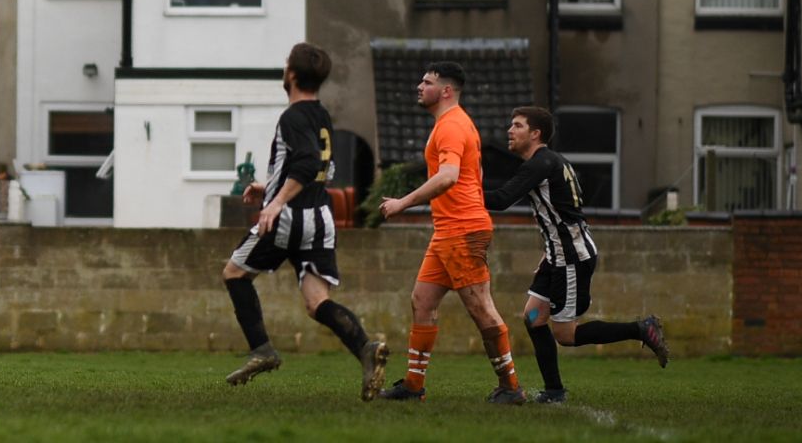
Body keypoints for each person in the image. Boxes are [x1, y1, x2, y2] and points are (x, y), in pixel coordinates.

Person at [221, 42, 389, 402]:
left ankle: (262, 350)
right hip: (320, 218)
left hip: (290, 218)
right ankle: (365, 346)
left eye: (285, 65)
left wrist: (275, 202)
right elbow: (320, 170)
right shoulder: (320, 115)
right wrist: (268, 185)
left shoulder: (293, 117)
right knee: (316, 302)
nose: (284, 69)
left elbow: (308, 164)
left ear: (292, 75)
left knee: (234, 273)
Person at [484, 106, 670, 403]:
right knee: (533, 318)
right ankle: (554, 390)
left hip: (571, 258)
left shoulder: (540, 163)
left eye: (517, 125)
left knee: (566, 335)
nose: (510, 130)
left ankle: (641, 329)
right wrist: (549, 253)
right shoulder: (550, 161)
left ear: (535, 134)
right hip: (559, 255)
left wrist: (458, 186)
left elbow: (503, 199)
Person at [377, 62, 525, 404]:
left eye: (426, 82)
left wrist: (403, 203)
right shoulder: (451, 124)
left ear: (445, 90)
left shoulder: (453, 126)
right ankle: (413, 386)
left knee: (480, 308)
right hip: (448, 230)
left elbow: (448, 177)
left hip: (463, 230)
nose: (418, 86)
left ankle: (511, 387)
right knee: (422, 301)